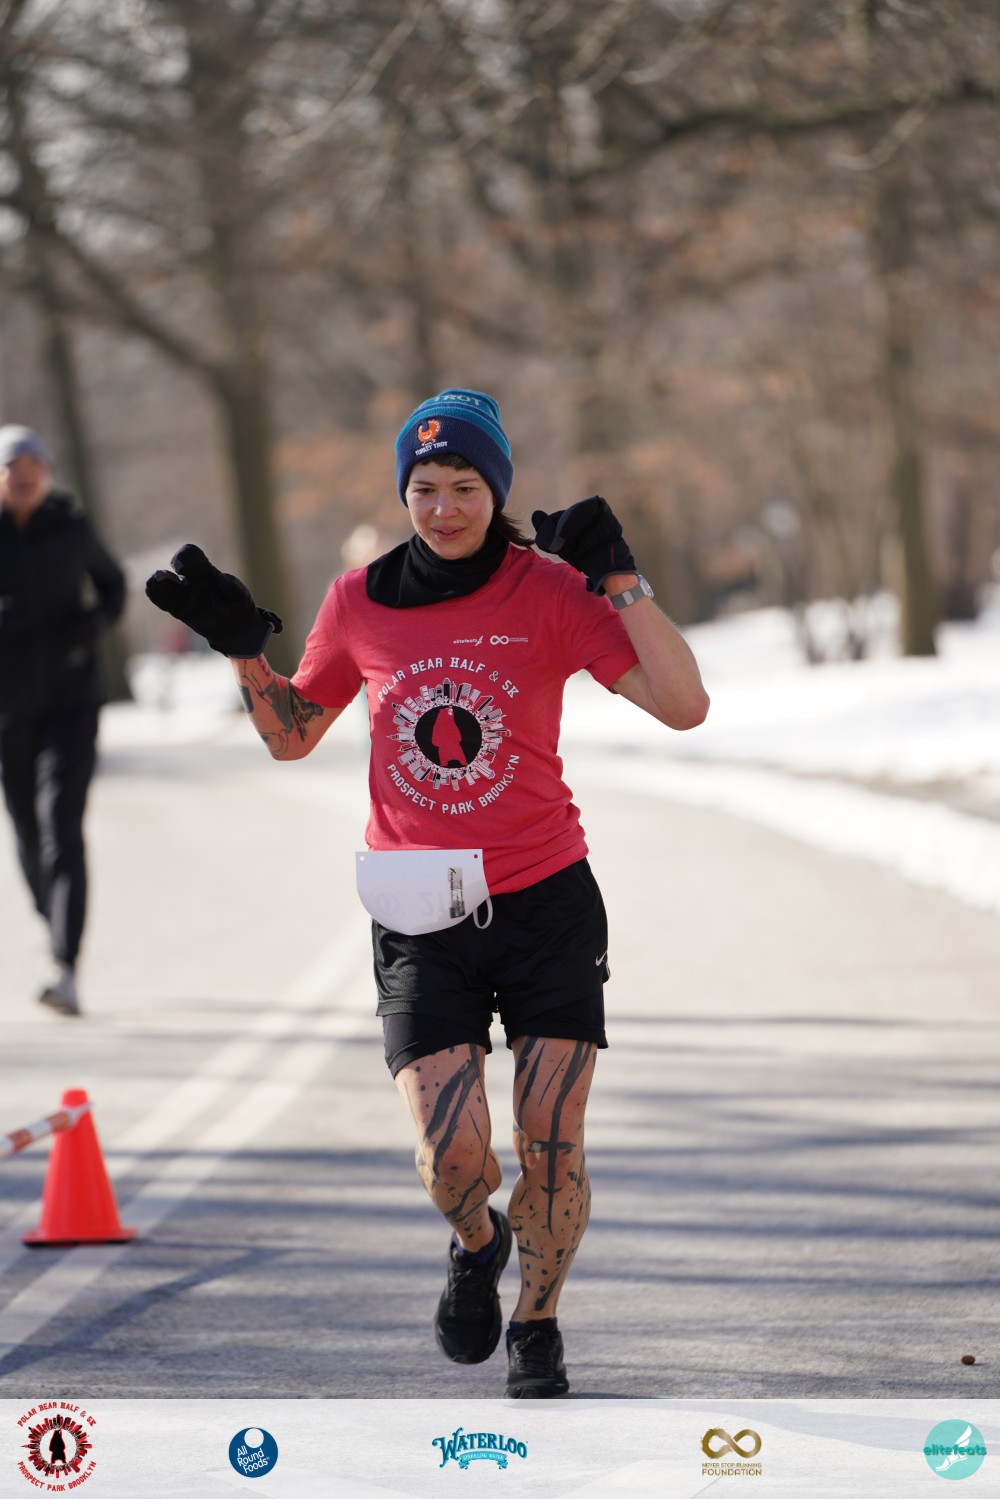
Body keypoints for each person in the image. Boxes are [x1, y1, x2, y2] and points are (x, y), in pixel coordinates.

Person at [145, 388, 709, 1397]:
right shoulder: (358, 600)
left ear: (496, 492)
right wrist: (243, 653)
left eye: (463, 488)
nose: (443, 508)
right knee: (451, 1157)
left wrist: (621, 580)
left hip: (545, 900)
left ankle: (537, 1323)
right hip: (416, 908)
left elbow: (683, 704)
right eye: (423, 488)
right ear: (402, 493)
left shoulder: (552, 591)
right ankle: (475, 1242)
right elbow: (292, 736)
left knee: (551, 1144)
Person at [0, 425, 127, 1017]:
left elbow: (113, 585)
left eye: (32, 465)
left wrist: (92, 626)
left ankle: (65, 965)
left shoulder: (71, 526)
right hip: (8, 707)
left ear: (47, 473)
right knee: (27, 832)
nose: (23, 475)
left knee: (61, 825)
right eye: (11, 466)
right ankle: (53, 923)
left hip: (72, 701)